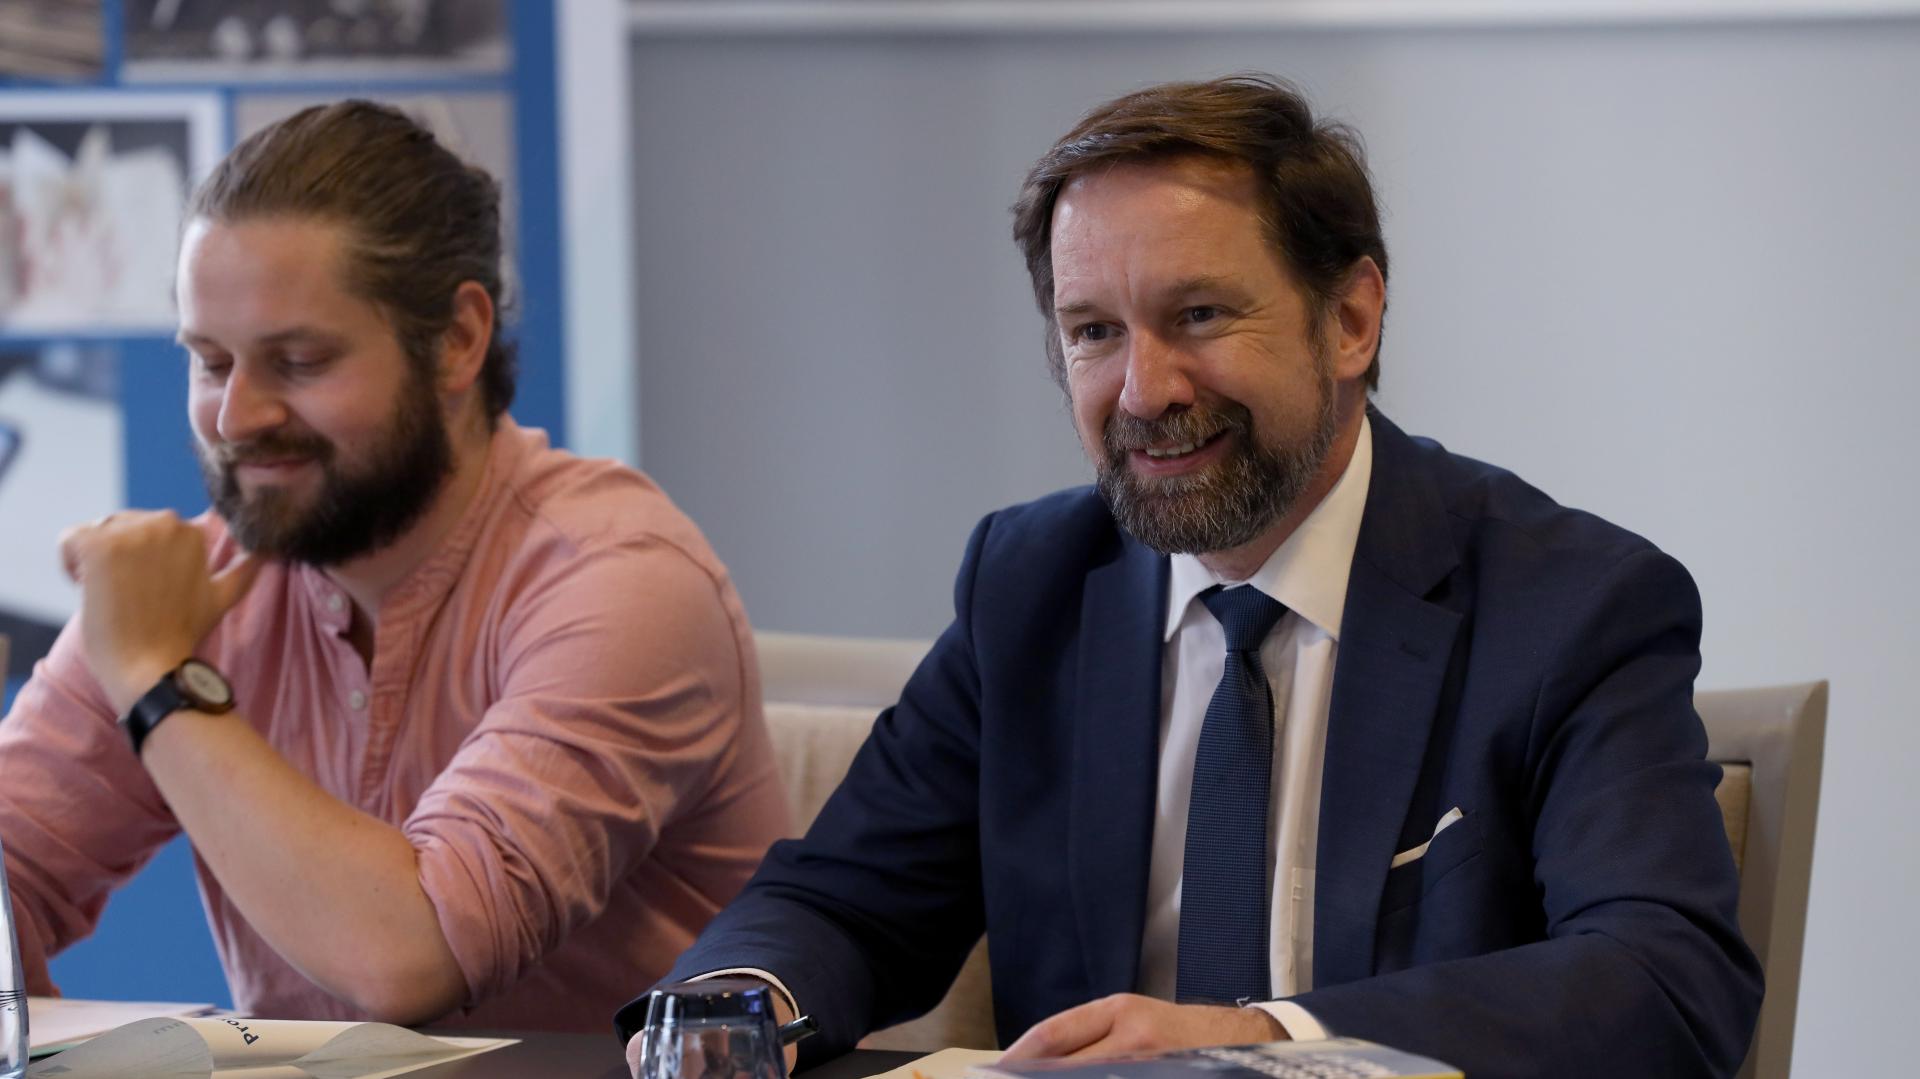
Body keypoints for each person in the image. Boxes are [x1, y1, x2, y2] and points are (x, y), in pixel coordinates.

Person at [646, 75, 1761, 1079]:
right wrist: (727, 1013)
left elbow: (1664, 978)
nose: (1145, 390)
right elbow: (844, 901)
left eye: (1200, 315)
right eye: (1094, 331)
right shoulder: (1031, 585)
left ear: (1351, 319)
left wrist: (1262, 1040)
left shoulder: (1570, 604)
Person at [0, 100, 789, 1032]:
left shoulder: (621, 579)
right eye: (210, 362)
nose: (237, 417)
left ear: (457, 340)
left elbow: (412, 955)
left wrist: (160, 681)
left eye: (299, 361)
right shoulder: (184, 593)